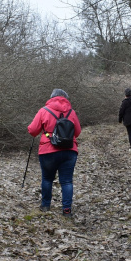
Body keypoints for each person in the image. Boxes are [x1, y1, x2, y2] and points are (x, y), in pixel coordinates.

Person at [27, 88, 82, 217]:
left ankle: (45, 205)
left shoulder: (43, 111)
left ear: (51, 97)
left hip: (48, 150)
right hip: (69, 151)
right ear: (65, 99)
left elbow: (33, 130)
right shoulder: (71, 112)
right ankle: (66, 209)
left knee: (47, 179)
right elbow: (77, 132)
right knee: (67, 181)